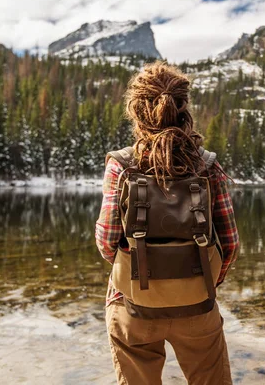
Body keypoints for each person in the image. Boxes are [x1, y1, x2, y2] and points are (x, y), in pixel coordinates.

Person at [95, 61, 239, 385]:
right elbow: (229, 244)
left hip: (132, 306)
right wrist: (200, 281)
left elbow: (106, 242)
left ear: (136, 111)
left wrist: (140, 273)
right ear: (183, 109)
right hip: (197, 307)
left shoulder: (121, 166)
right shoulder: (207, 166)